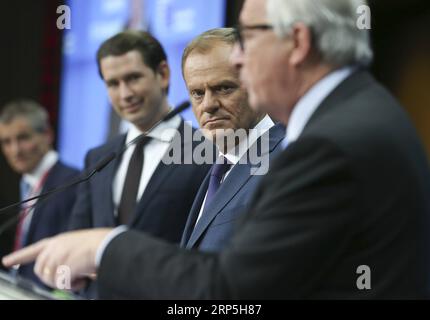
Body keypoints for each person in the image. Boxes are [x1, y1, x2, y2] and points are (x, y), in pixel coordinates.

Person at [4, 0, 430, 299]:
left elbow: (231, 291)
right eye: (198, 92)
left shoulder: (318, 146)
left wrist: (105, 247)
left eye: (248, 39)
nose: (242, 60)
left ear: (297, 42)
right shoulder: (355, 114)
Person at [68, 30, 211, 245]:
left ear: (163, 74)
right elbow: (77, 240)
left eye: (133, 78)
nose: (125, 94)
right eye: (113, 84)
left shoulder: (205, 151)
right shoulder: (97, 158)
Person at [179, 28, 284, 251]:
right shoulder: (216, 170)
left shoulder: (286, 159)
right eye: (197, 93)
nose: (207, 105)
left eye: (224, 88)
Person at [0, 100, 78, 287]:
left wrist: (63, 294)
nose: (15, 150)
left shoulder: (73, 183)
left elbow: (71, 254)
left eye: (23, 138)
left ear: (47, 135)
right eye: (6, 142)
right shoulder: (27, 182)